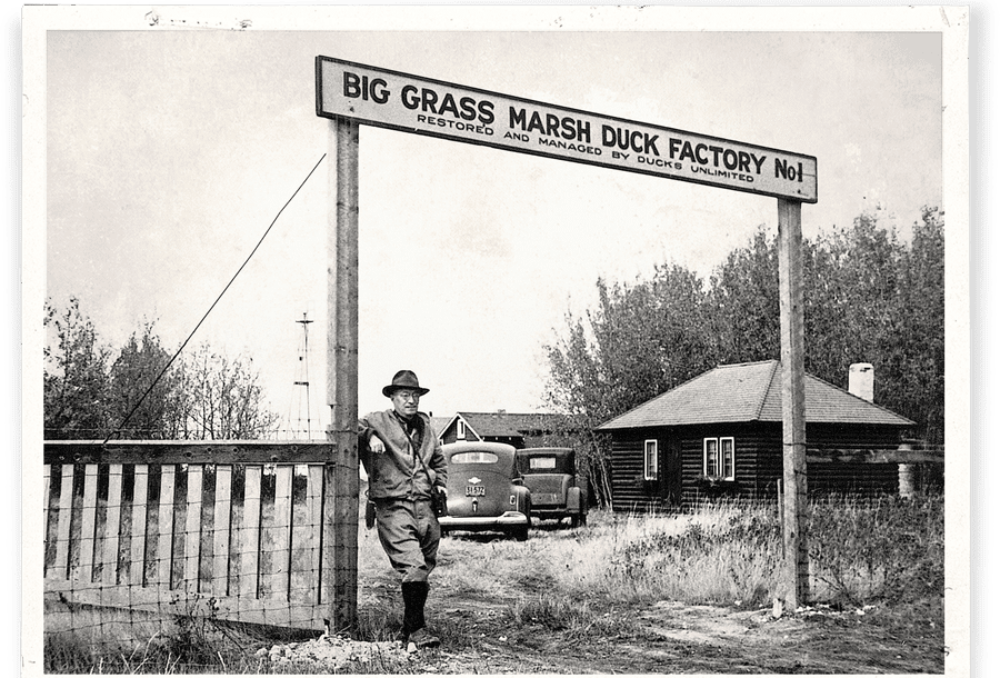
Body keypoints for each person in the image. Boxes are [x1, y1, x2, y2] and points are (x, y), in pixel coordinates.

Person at [358, 370, 448, 650]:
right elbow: (347, 425)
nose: (411, 401)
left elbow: (439, 460)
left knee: (425, 565)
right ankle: (418, 631)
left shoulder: (426, 427)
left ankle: (409, 629)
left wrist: (440, 483)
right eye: (405, 396)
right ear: (393, 398)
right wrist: (371, 435)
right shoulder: (377, 420)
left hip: (425, 506)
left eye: (415, 396)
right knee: (414, 565)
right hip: (393, 505)